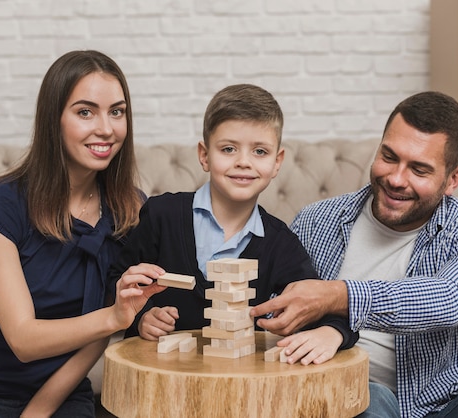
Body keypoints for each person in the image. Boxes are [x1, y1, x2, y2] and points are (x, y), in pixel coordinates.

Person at [251, 91, 458, 417]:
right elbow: (270, 307)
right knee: (372, 396)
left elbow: (449, 299)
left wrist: (338, 295)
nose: (396, 179)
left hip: (443, 408)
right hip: (348, 402)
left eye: (419, 169)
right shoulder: (317, 221)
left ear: (452, 179)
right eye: (389, 156)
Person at [0, 50, 166, 418]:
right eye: (85, 112)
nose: (106, 128)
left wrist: (39, 410)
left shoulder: (130, 210)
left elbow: (99, 332)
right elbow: (23, 340)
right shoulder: (0, 205)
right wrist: (116, 318)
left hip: (63, 390)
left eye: (117, 111)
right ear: (54, 119)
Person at [109, 84, 358, 364]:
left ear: (277, 163)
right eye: (228, 149)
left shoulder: (280, 243)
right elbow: (116, 281)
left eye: (260, 152)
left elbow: (324, 307)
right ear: (204, 155)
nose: (243, 162)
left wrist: (333, 332)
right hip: (165, 381)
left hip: (237, 388)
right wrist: (142, 317)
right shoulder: (162, 215)